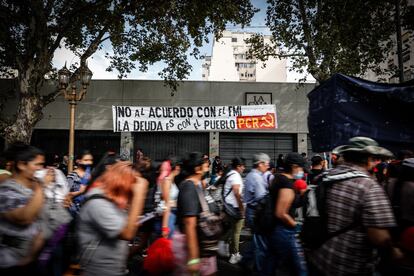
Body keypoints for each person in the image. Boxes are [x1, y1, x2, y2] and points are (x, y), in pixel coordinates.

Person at [309, 137, 401, 275]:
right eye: (376, 158)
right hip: (349, 266)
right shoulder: (368, 187)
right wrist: (394, 252)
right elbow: (380, 238)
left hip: (319, 257)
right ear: (369, 159)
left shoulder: (326, 176)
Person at [77, 161, 149, 276]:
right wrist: (139, 195)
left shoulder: (113, 202)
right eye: (131, 187)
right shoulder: (98, 203)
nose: (133, 192)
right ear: (121, 183)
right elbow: (127, 233)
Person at [0, 143, 49, 274]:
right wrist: (41, 186)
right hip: (10, 261)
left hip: (31, 260)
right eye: (37, 164)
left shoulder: (32, 188)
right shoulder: (6, 190)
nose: (41, 169)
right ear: (22, 165)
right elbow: (24, 217)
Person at [174, 152, 219, 276]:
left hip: (202, 244)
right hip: (192, 246)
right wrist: (193, 258)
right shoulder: (188, 187)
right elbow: (189, 223)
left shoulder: (197, 184)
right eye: (204, 161)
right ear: (197, 168)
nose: (207, 164)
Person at [267, 153, 308, 276]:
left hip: (276, 229)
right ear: (294, 166)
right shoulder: (287, 183)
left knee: (273, 265)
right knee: (300, 269)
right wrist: (295, 226)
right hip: (284, 231)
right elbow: (281, 213)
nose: (301, 171)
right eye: (300, 168)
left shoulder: (278, 177)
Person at [240, 153, 270, 274]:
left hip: (252, 211)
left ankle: (245, 260)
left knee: (256, 240)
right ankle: (259, 270)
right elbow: (261, 197)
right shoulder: (257, 177)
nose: (267, 167)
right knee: (260, 243)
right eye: (266, 164)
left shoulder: (251, 175)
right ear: (260, 164)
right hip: (255, 212)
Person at [222, 157, 246, 264]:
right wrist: (242, 209)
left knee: (232, 229)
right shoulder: (235, 176)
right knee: (237, 232)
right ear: (238, 166)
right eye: (243, 166)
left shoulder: (230, 173)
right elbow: (237, 193)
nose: (244, 169)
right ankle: (234, 254)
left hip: (229, 207)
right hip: (235, 207)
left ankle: (224, 243)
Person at [66, 150, 93, 216]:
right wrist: (80, 192)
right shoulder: (72, 176)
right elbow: (66, 195)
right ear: (78, 161)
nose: (89, 162)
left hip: (89, 211)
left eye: (90, 160)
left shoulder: (91, 175)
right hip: (76, 213)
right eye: (86, 160)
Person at [160, 157, 181, 239]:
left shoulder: (172, 181)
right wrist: (165, 227)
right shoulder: (167, 181)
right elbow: (166, 204)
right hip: (169, 216)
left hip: (173, 214)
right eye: (179, 166)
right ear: (176, 167)